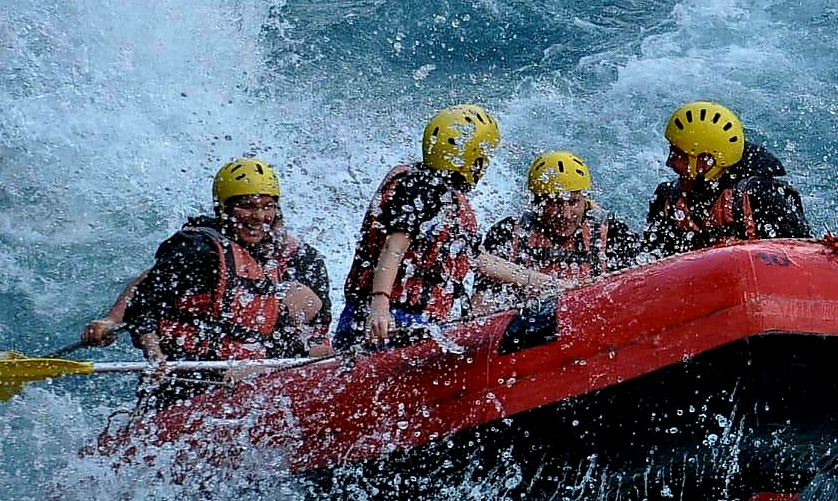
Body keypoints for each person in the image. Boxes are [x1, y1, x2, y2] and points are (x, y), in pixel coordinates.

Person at [334, 104, 560, 349]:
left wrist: (545, 283)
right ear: (475, 160)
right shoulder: (422, 188)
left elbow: (476, 259)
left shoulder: (439, 194)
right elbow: (394, 248)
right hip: (387, 319)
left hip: (408, 318)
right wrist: (380, 305)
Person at [121, 158, 331, 377]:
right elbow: (141, 301)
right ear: (224, 209)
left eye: (267, 206)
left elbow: (304, 329)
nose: (259, 216)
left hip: (253, 363)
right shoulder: (198, 249)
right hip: (194, 375)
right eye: (247, 206)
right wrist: (154, 352)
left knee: (305, 311)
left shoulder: (288, 256)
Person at [477, 150, 641, 311]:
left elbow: (637, 291)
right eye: (554, 203)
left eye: (573, 202)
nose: (566, 214)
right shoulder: (507, 233)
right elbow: (479, 307)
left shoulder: (613, 233)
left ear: (585, 201)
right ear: (537, 203)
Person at [642, 101, 810, 256]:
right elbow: (651, 258)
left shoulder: (759, 196)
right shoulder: (667, 199)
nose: (669, 162)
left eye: (678, 154)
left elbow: (802, 253)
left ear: (706, 161)